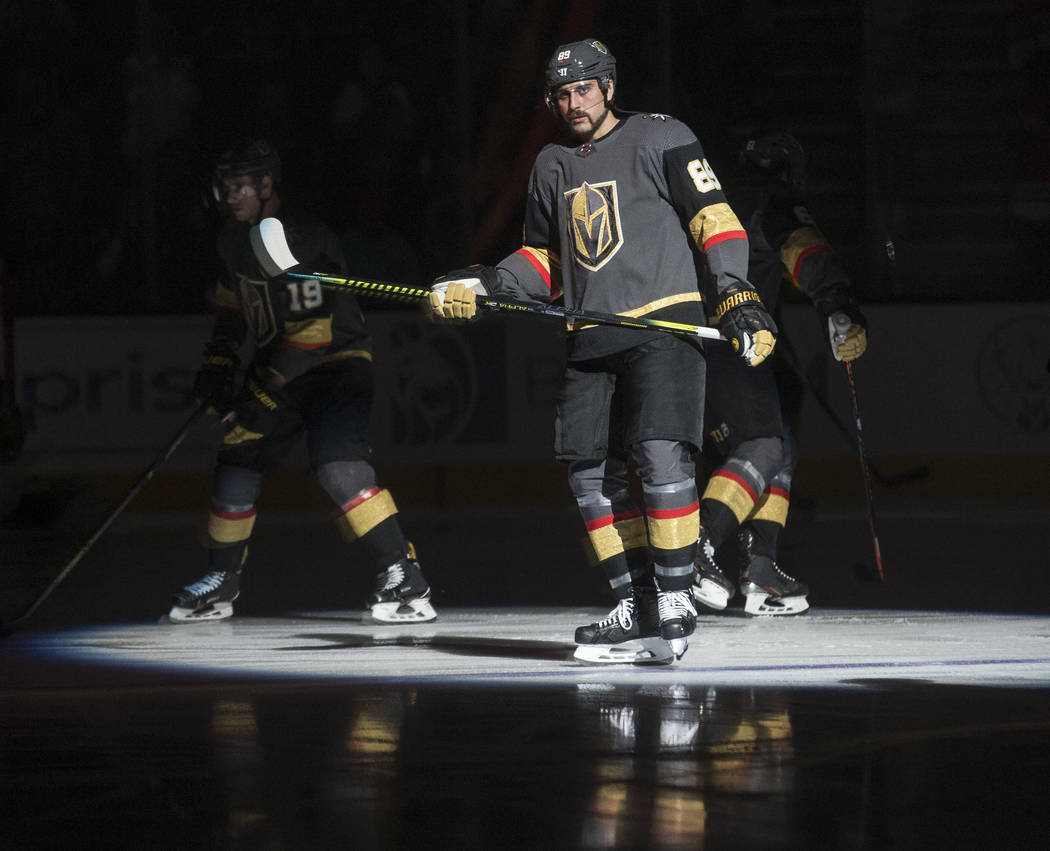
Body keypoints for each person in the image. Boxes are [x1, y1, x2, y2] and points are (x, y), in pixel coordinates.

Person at [425, 40, 776, 662]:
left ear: (609, 87)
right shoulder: (551, 165)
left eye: (584, 88)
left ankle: (674, 597)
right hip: (589, 335)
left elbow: (715, 219)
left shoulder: (660, 137)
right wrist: (485, 284)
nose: (572, 102)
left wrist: (736, 293)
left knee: (659, 455)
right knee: (590, 475)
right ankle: (634, 602)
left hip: (664, 326)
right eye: (561, 93)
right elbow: (544, 259)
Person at [167, 139, 436, 624]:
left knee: (338, 468)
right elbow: (232, 305)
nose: (229, 197)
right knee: (239, 455)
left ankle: (405, 576)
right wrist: (218, 358)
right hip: (282, 367)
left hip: (336, 365)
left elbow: (314, 332)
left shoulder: (305, 238)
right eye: (224, 187)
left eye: (239, 187)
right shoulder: (231, 240)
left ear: (266, 184)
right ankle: (223, 579)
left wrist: (263, 388)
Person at [692, 128, 868, 616]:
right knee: (765, 445)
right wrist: (840, 307)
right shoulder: (774, 203)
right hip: (726, 341)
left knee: (777, 443)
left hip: (688, 344)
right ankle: (694, 550)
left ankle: (761, 566)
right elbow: (807, 250)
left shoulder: (710, 200)